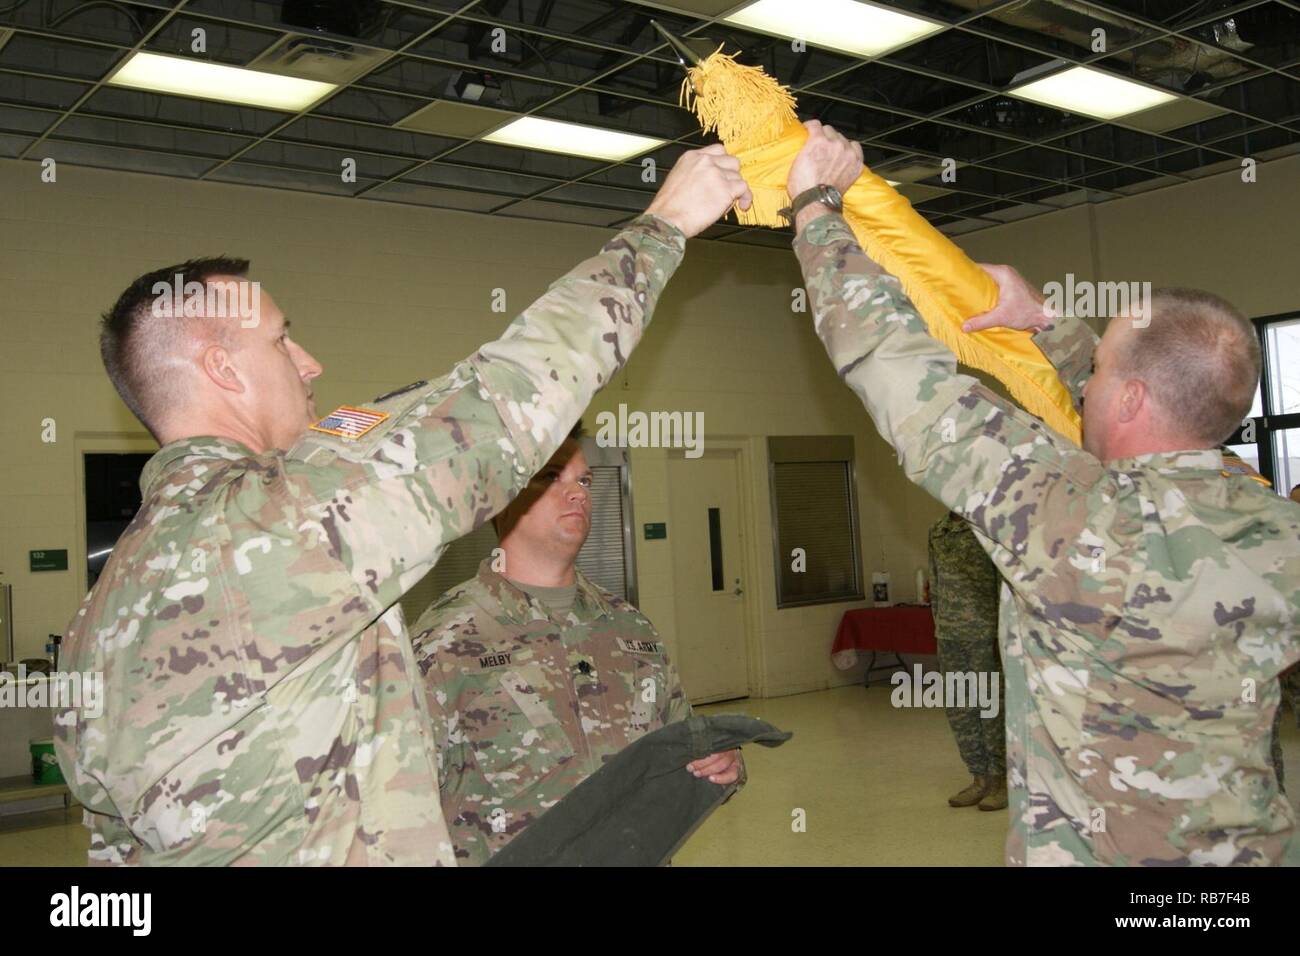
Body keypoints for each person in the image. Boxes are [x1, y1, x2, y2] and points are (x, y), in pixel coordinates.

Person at [53, 146, 752, 866]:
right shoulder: (278, 516)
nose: (309, 362)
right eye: (282, 338)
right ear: (223, 369)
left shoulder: (98, 614)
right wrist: (665, 224)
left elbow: (115, 851)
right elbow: (509, 399)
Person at [784, 119, 1299, 865]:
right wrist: (1045, 323)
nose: (1082, 388)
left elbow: (891, 362)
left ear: (1126, 403)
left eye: (1098, 377)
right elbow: (1159, 383)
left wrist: (816, 210)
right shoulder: (1277, 529)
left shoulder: (1062, 510)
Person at [410, 424, 742, 864]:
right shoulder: (445, 642)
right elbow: (400, 815)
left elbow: (678, 752)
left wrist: (720, 764)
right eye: (551, 477)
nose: (579, 494)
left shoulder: (628, 628)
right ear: (499, 498)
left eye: (584, 480)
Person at [928, 511, 1006, 811]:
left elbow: (1002, 584)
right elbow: (935, 580)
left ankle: (1001, 780)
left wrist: (1002, 633)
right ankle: (979, 778)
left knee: (990, 706)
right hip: (949, 633)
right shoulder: (939, 530)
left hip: (984, 631)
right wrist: (938, 623)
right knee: (961, 708)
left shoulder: (988, 527)